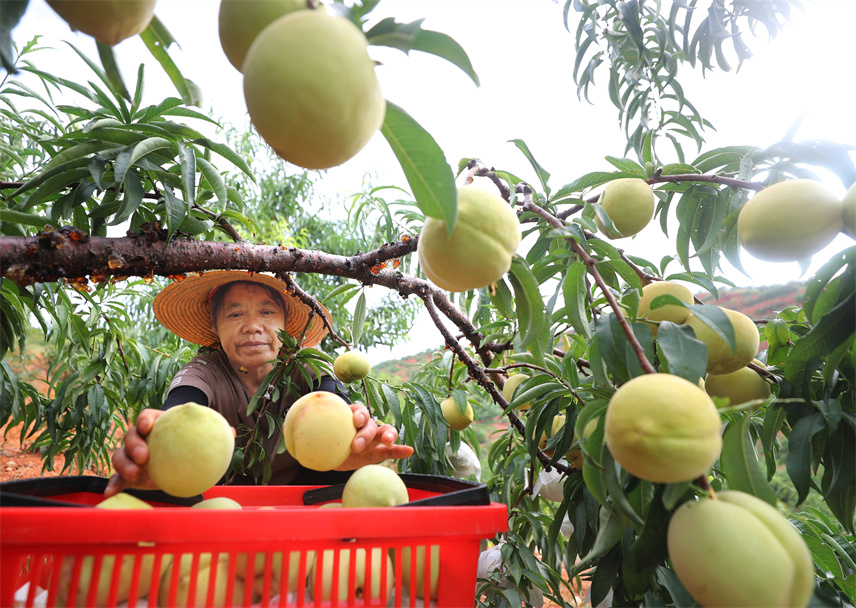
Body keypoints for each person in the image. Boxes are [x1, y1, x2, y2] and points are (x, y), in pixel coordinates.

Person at [104, 271, 413, 497]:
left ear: (285, 323)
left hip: (304, 498)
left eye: (267, 312)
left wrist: (354, 440)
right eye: (235, 314)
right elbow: (182, 406)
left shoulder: (307, 364)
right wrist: (154, 445)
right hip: (227, 500)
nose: (252, 327)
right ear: (215, 326)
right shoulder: (204, 371)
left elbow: (334, 400)